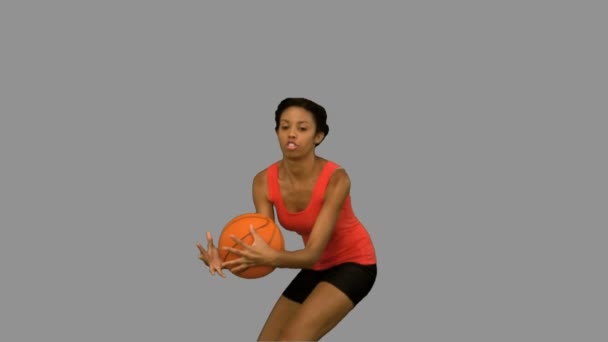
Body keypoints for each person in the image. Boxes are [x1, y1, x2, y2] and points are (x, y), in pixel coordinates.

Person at [197, 97, 377, 341]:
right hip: (315, 267)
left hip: (354, 263)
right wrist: (227, 258)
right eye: (285, 127)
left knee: (294, 338)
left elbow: (310, 252)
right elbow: (263, 248)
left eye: (302, 128)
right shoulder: (263, 182)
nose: (292, 134)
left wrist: (273, 258)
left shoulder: (337, 179)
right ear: (277, 132)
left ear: (319, 136)